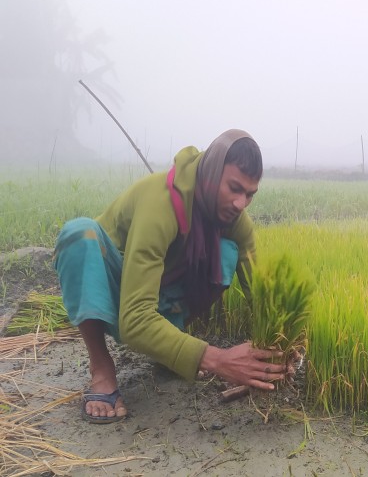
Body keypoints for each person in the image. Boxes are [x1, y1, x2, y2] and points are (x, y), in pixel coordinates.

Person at [54, 129, 287, 424]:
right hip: (116, 291)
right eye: (234, 188)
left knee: (227, 253)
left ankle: (168, 349)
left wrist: (284, 344)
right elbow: (134, 320)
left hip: (162, 294)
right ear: (212, 174)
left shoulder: (236, 221)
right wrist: (218, 359)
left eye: (250, 194)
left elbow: (261, 291)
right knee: (79, 233)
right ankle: (101, 368)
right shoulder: (160, 203)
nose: (241, 203)